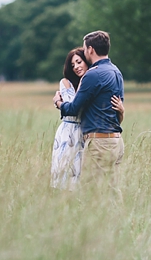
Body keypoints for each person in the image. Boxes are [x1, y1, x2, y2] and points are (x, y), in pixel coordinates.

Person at [53, 31, 125, 187]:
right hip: (116, 141)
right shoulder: (117, 72)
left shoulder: (92, 75)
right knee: (112, 189)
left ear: (91, 49)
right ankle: (118, 213)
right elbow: (117, 110)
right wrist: (122, 111)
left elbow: (73, 108)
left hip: (99, 142)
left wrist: (58, 103)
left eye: (85, 50)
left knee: (92, 191)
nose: (85, 53)